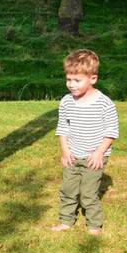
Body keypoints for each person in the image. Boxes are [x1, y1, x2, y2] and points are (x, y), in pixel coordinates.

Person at [51, 49, 120, 236]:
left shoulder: (104, 103)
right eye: (68, 80)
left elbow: (111, 132)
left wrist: (99, 153)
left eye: (77, 80)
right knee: (68, 189)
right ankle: (66, 221)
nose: (71, 85)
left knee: (88, 193)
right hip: (73, 155)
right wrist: (65, 152)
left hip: (94, 156)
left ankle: (94, 225)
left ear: (93, 79)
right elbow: (63, 128)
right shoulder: (66, 102)